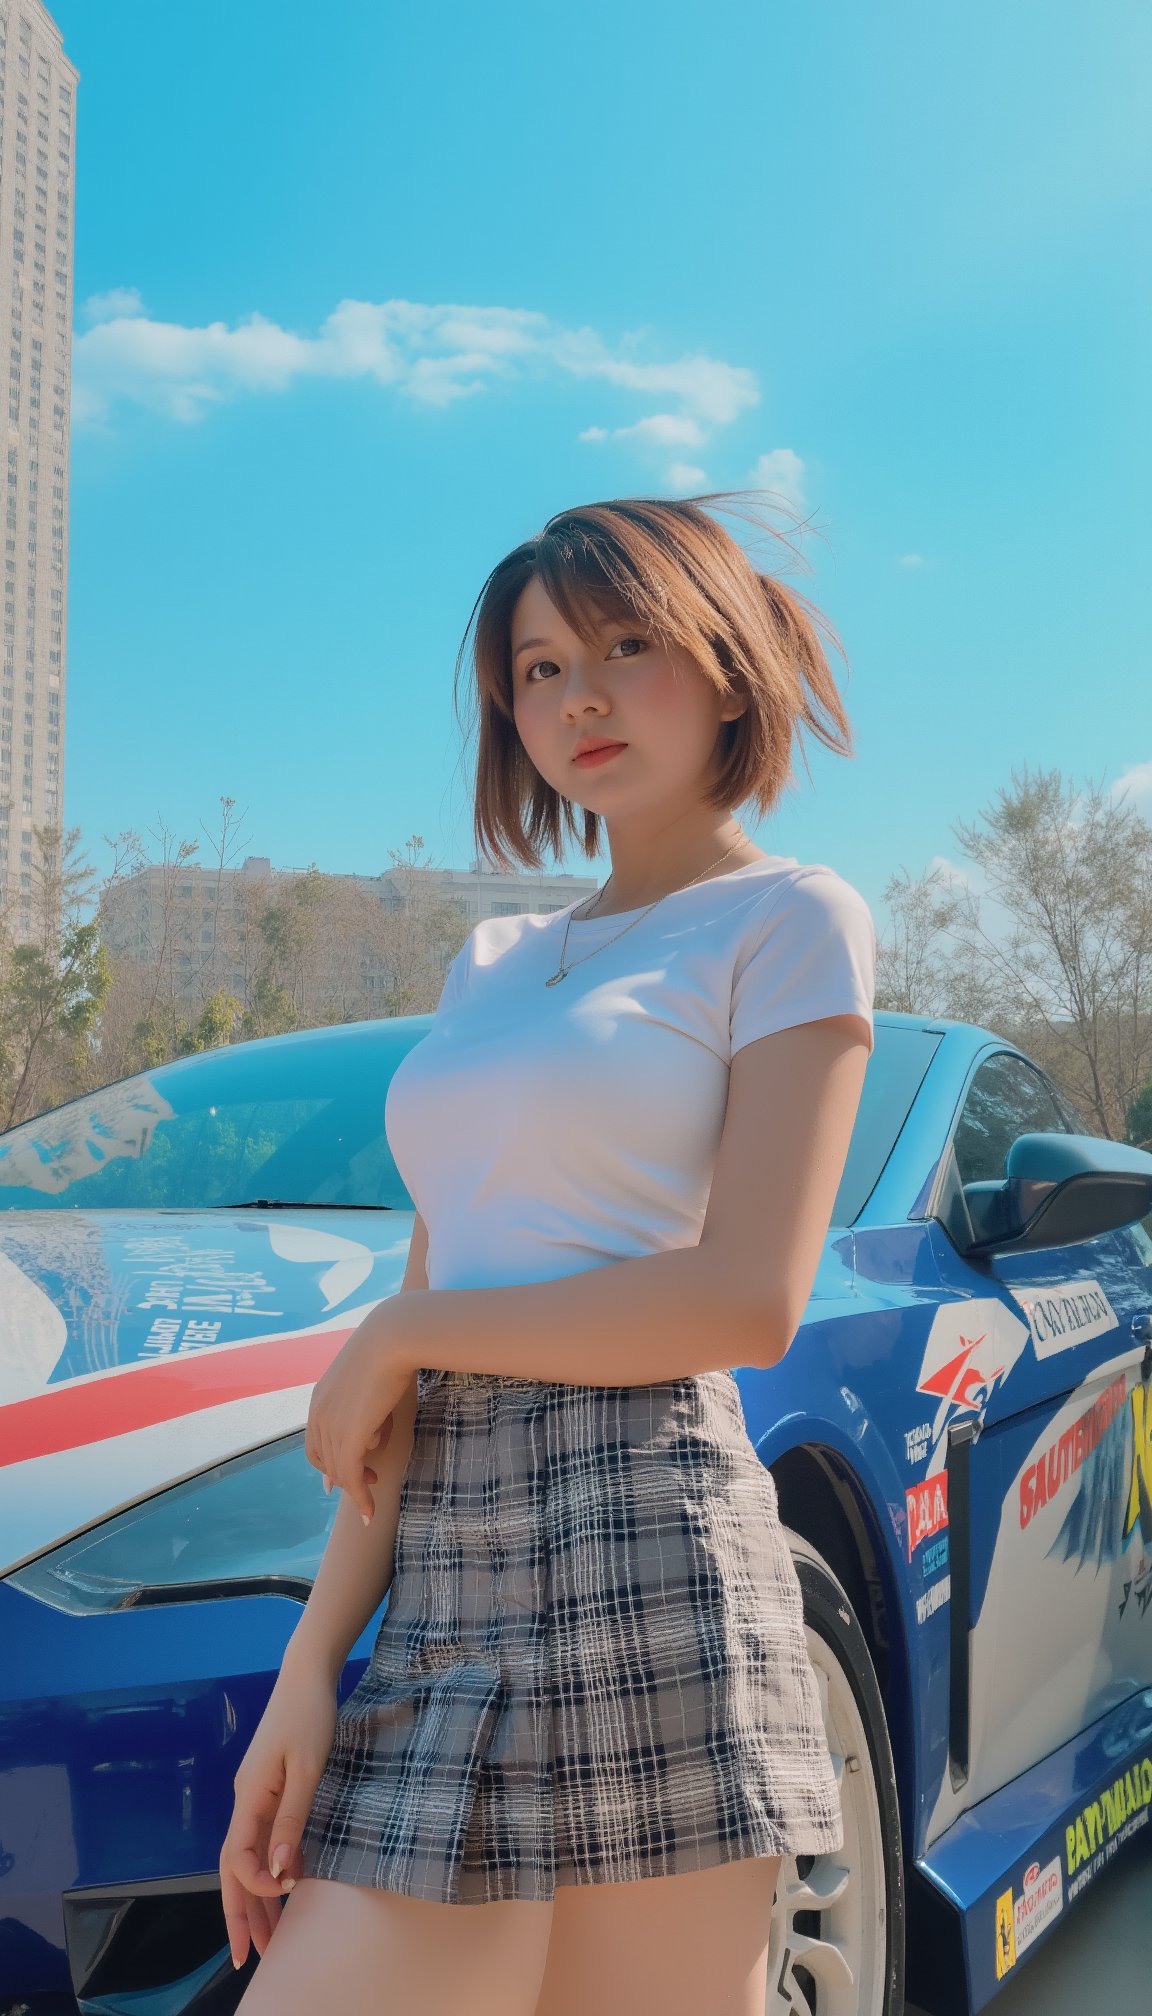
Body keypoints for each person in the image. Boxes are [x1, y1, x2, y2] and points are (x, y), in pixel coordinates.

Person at [219, 491, 876, 2016]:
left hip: (642, 1529)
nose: (575, 699)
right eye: (537, 669)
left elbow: (748, 1298)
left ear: (726, 663)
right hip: (446, 1561)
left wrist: (405, 1337)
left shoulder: (788, 917)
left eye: (625, 646)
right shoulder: (494, 957)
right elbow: (421, 1331)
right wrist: (315, 1661)